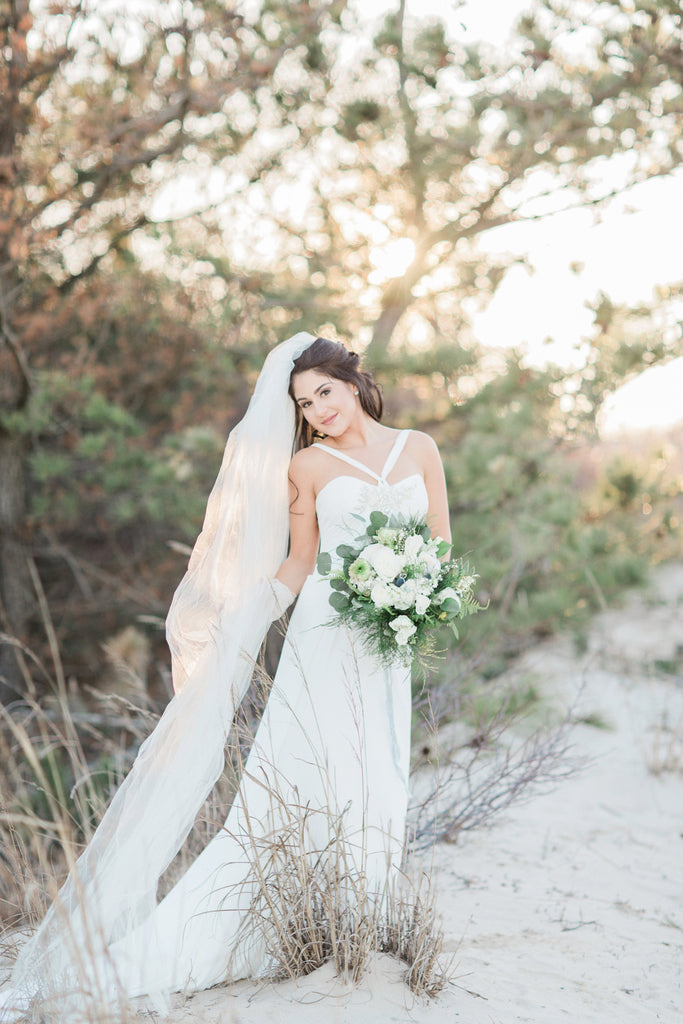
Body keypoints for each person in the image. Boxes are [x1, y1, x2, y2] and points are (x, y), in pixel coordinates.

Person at [0, 333, 450, 1020]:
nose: (319, 409)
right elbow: (301, 564)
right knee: (313, 772)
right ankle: (278, 932)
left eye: (325, 391)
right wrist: (240, 626)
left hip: (389, 641)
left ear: (353, 381)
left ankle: (359, 927)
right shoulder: (308, 467)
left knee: (380, 772)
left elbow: (440, 541)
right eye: (305, 402)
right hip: (326, 638)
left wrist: (421, 594)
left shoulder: (418, 447)